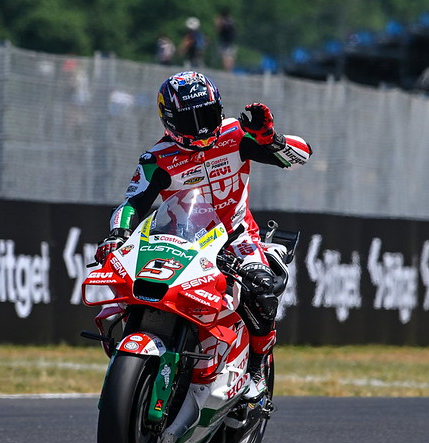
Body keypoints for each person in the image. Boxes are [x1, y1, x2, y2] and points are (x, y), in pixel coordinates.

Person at [94, 71, 312, 401]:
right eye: (187, 119)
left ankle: (256, 371)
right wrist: (117, 234)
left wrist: (270, 139)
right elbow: (132, 204)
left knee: (263, 291)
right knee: (133, 285)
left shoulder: (236, 135)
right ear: (168, 120)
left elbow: (302, 155)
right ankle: (136, 351)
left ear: (220, 109)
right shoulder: (156, 159)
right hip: (181, 238)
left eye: (206, 115)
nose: (199, 128)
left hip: (237, 237)